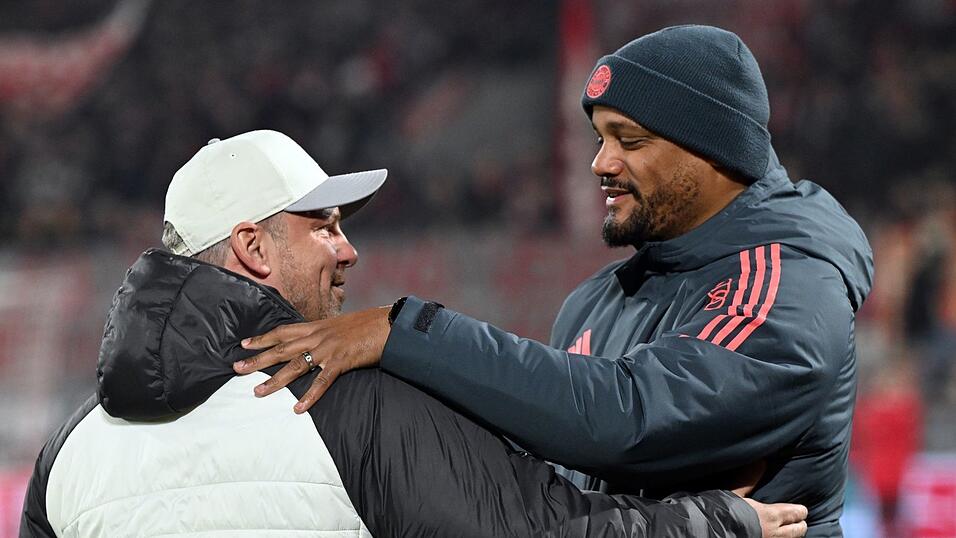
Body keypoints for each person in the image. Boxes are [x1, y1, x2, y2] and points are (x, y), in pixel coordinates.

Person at [235, 25, 873, 538]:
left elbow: (626, 418)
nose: (601, 163)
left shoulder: (788, 278)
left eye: (631, 140)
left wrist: (403, 332)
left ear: (716, 153)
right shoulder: (596, 301)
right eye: (599, 138)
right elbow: (555, 494)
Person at [20, 130, 808, 537]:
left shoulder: (68, 451)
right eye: (322, 225)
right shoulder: (347, 402)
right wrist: (714, 522)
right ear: (254, 249)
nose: (348, 247)